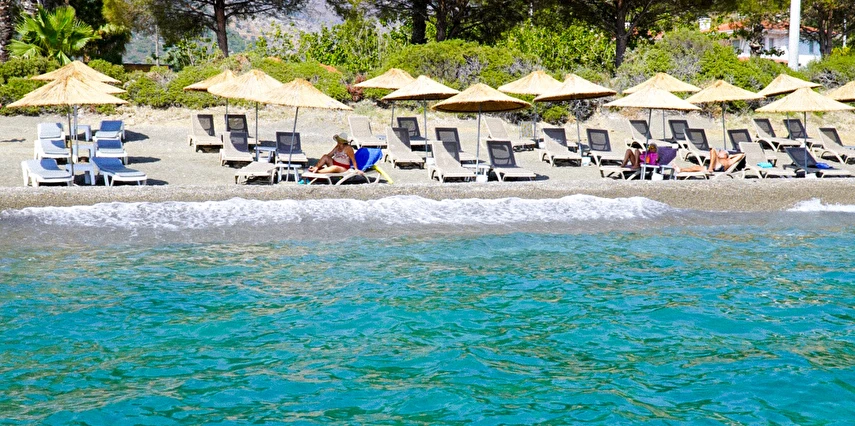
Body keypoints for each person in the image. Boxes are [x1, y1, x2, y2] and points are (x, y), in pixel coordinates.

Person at [674, 148, 745, 173]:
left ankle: (710, 168)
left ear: (726, 155)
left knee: (712, 150)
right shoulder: (718, 159)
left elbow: (742, 154)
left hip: (719, 167)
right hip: (714, 166)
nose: (719, 152)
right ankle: (681, 170)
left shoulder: (729, 161)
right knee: (696, 167)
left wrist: (732, 156)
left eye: (721, 152)